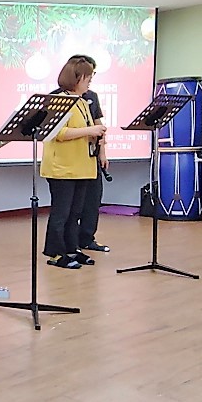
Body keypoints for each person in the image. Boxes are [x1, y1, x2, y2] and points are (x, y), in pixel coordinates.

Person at [42, 58, 107, 269]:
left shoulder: (82, 101)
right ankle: (56, 253)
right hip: (62, 168)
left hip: (82, 166)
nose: (89, 83)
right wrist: (90, 131)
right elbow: (58, 133)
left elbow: (85, 129)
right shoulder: (59, 100)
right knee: (61, 213)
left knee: (75, 213)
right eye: (87, 79)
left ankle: (72, 249)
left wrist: (96, 136)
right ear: (76, 78)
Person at [66, 54, 110, 253]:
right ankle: (70, 244)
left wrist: (103, 153)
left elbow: (98, 125)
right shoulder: (60, 96)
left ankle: (87, 238)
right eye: (87, 75)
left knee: (93, 200)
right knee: (72, 206)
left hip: (91, 157)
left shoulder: (91, 96)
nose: (90, 79)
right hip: (71, 160)